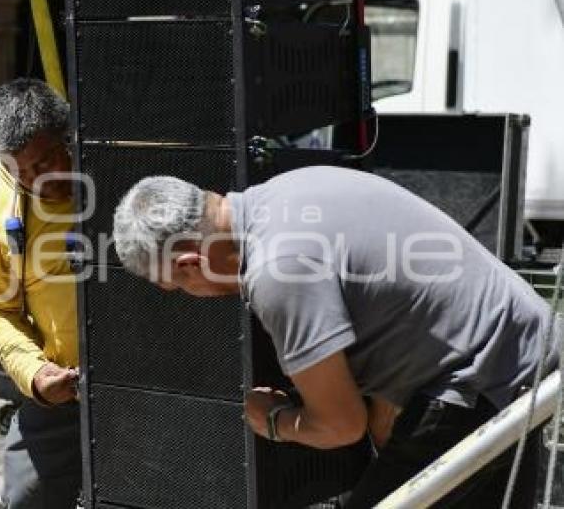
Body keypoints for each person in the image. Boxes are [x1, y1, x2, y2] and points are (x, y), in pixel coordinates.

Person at [111, 167, 560, 507]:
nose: (196, 295)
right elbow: (398, 306)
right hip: (515, 348)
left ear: (190, 263)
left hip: (484, 378)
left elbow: (342, 426)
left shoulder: (277, 273)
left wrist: (273, 419)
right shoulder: (288, 191)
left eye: (179, 286)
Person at [0, 78, 81, 508]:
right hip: (64, 384)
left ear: (67, 135)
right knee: (27, 496)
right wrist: (33, 374)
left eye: (49, 158)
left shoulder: (112, 159)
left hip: (148, 378)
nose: (38, 179)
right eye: (21, 170)